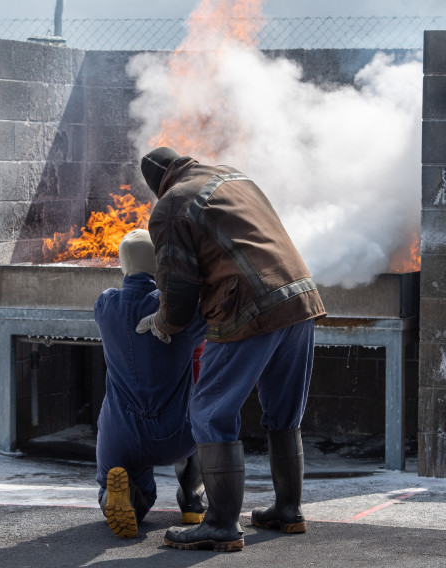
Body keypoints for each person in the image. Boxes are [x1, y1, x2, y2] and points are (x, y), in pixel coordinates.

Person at [137, 147, 327, 552]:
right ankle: (288, 510)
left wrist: (162, 322)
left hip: (250, 307)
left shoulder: (171, 206)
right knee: (283, 410)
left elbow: (180, 286)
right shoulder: (231, 176)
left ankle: (222, 524)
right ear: (182, 162)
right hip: (299, 298)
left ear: (157, 184)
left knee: (209, 411)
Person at [94, 228, 208, 539]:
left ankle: (122, 495)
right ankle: (193, 503)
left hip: (120, 433)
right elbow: (210, 323)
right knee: (203, 418)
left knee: (117, 482)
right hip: (176, 434)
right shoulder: (178, 310)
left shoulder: (105, 306)